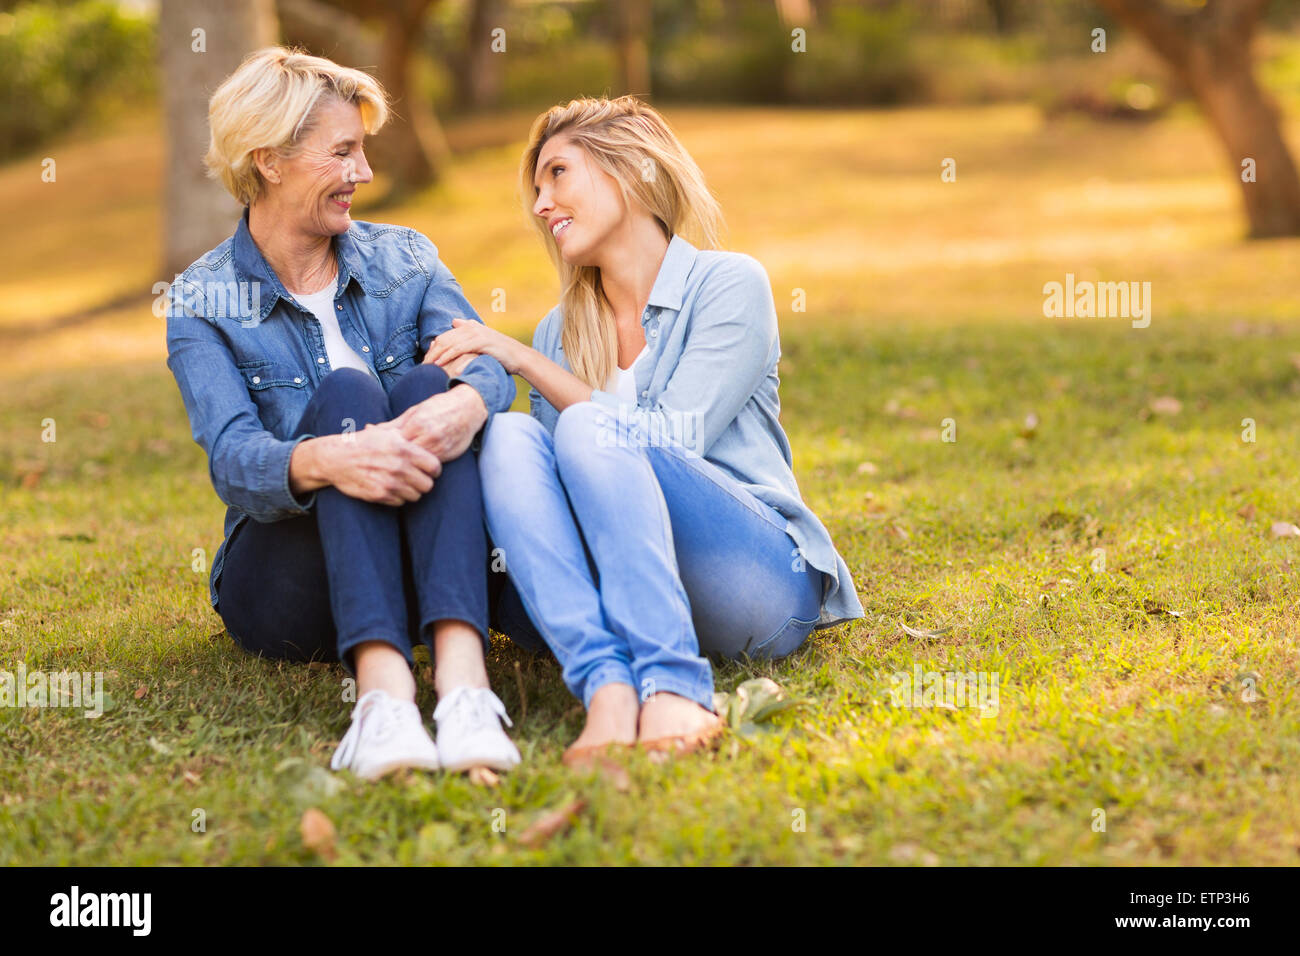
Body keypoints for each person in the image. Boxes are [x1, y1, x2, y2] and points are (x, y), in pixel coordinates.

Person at [424, 96, 863, 767]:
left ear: (628, 171)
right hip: (629, 586)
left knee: (588, 428)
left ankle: (677, 685)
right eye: (536, 188)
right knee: (512, 439)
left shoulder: (729, 285)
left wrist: (526, 363)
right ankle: (606, 687)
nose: (542, 204)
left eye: (558, 174)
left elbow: (666, 443)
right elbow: (568, 510)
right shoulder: (558, 333)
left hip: (755, 582)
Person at [165, 47, 520, 779]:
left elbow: (483, 362)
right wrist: (329, 456)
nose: (363, 173)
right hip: (291, 585)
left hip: (424, 553)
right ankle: (382, 701)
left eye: (363, 151)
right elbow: (234, 460)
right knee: (349, 398)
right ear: (269, 160)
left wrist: (466, 406)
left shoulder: (408, 259)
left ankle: (464, 691)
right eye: (343, 152)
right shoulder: (201, 302)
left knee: (434, 387)